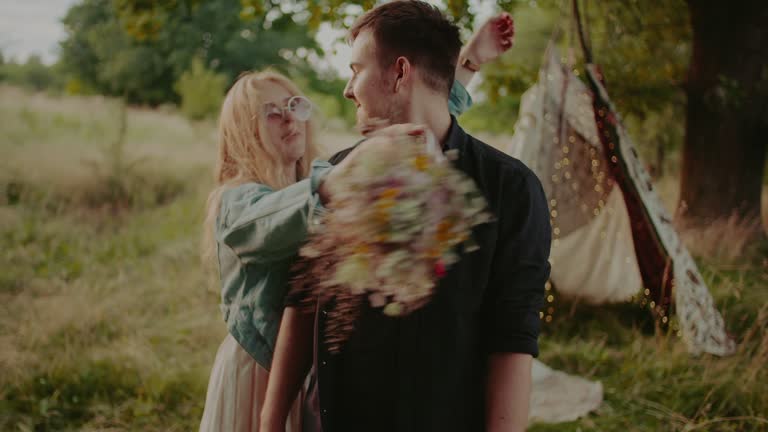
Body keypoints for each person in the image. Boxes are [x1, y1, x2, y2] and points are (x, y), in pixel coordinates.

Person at [199, 11, 515, 432]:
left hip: (312, 371)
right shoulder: (239, 201)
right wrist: (337, 181)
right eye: (272, 113)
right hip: (259, 368)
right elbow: (260, 226)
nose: (290, 117)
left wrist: (470, 60)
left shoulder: (324, 174)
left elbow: (423, 113)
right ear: (243, 131)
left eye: (294, 105)